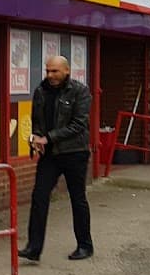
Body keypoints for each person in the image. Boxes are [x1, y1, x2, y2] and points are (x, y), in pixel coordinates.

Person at [18, 55, 94, 261]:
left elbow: (79, 124)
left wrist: (47, 138)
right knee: (39, 197)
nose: (50, 75)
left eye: (55, 71)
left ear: (66, 71)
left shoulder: (80, 91)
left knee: (77, 199)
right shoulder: (41, 91)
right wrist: (35, 137)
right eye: (48, 71)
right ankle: (34, 248)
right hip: (50, 155)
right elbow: (37, 121)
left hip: (74, 153)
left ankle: (85, 246)